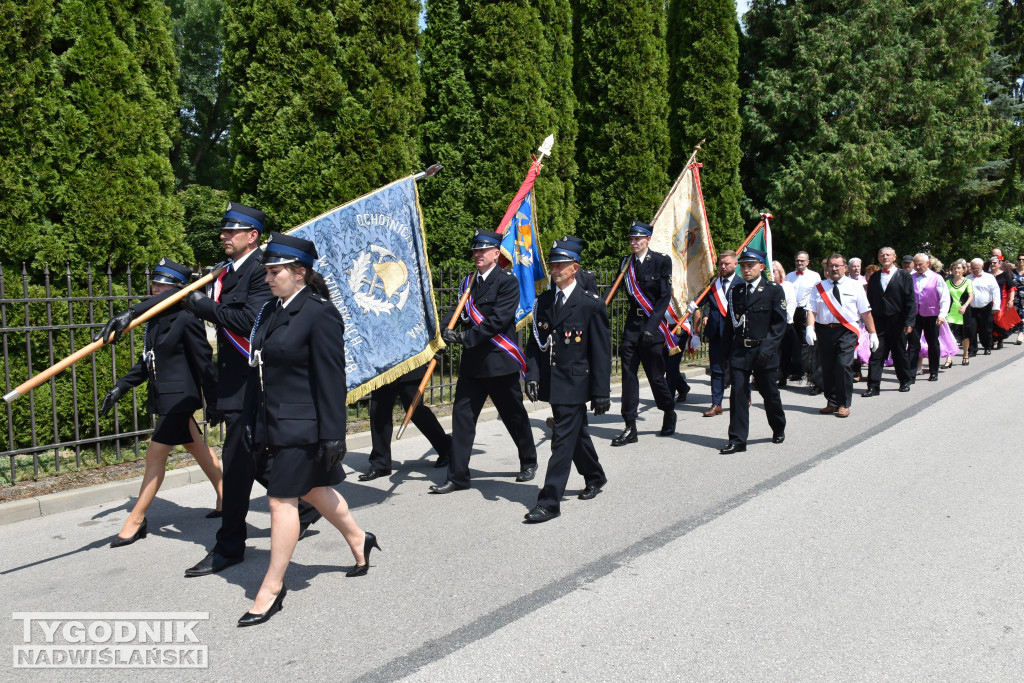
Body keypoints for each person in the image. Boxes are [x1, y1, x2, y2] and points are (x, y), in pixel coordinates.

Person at [239, 232, 377, 627]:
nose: (268, 277)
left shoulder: (318, 313)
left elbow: (332, 378)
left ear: (300, 272)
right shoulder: (272, 310)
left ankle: (271, 588)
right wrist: (251, 418)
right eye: (266, 270)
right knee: (313, 490)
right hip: (273, 422)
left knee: (281, 501)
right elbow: (260, 368)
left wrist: (336, 434)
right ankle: (358, 538)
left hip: (303, 425)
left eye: (275, 271)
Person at [180, 204, 320, 577]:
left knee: (239, 464)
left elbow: (250, 322)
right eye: (224, 231)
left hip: (253, 383)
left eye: (232, 231)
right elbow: (183, 297)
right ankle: (307, 506)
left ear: (252, 235)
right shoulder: (225, 271)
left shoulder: (263, 272)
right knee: (253, 458)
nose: (224, 236)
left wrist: (205, 307)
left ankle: (229, 547)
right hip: (232, 382)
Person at [98, 259, 223, 547]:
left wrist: (213, 401)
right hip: (165, 398)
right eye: (155, 282)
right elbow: (148, 361)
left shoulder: (186, 318)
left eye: (164, 284)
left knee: (154, 456)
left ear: (178, 289)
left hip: (181, 399)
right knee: (197, 448)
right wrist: (120, 387)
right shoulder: (155, 318)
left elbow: (205, 362)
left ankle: (136, 519)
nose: (156, 288)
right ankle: (225, 496)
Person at [430, 229, 538, 493]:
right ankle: (457, 477)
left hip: (499, 362)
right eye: (475, 251)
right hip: (473, 367)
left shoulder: (507, 281)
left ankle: (528, 460)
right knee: (462, 419)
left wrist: (464, 337)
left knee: (514, 415)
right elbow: (457, 315)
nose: (477, 255)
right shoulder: (468, 283)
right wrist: (441, 336)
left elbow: (498, 321)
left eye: (482, 250)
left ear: (495, 253)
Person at [523, 240, 611, 522]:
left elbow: (600, 353)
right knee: (575, 435)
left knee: (560, 440)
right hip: (553, 382)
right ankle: (595, 475)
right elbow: (535, 344)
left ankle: (549, 501)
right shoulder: (544, 302)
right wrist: (533, 375)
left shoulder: (590, 304)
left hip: (575, 384)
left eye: (561, 265)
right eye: (553, 265)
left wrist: (601, 392)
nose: (555, 269)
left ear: (575, 268)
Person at [611, 221, 676, 445]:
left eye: (638, 239)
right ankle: (630, 426)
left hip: (652, 326)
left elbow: (664, 297)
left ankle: (668, 411)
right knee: (628, 376)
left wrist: (651, 327)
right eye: (631, 239)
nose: (634, 242)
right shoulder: (626, 263)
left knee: (656, 377)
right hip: (631, 326)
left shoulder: (661, 261)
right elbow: (614, 288)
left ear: (648, 239)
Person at [719, 249, 787, 454]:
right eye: (743, 266)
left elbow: (779, 325)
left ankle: (778, 427)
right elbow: (730, 326)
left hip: (763, 351)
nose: (746, 270)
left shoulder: (773, 290)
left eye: (750, 265)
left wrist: (767, 350)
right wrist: (723, 355)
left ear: (761, 267)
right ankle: (737, 440)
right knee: (737, 395)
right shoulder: (736, 291)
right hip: (741, 351)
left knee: (770, 394)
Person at [807, 254, 878, 417]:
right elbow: (811, 309)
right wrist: (809, 328)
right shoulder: (819, 286)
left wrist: (873, 333)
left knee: (842, 365)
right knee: (828, 367)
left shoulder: (855, 286)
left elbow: (865, 312)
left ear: (845, 268)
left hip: (846, 331)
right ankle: (832, 402)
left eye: (837, 266)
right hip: (824, 331)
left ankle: (844, 403)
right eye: (831, 266)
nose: (834, 269)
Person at [361, 364, 452, 480]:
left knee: (416, 411)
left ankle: (446, 448)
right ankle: (380, 464)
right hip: (383, 366)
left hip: (409, 364)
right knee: (378, 412)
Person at [863, 247, 915, 396]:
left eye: (888, 255)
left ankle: (904, 380)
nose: (885, 257)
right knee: (876, 353)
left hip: (897, 320)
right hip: (879, 320)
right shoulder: (874, 277)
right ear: (878, 258)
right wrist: (869, 322)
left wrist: (909, 322)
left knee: (899, 352)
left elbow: (910, 300)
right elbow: (870, 300)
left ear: (894, 257)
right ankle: (873, 386)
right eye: (882, 255)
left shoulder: (904, 275)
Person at [699, 250, 740, 418]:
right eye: (721, 263)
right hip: (716, 332)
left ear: (735, 264)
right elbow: (707, 300)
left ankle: (743, 396)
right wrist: (703, 311)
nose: (723, 267)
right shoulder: (713, 281)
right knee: (716, 369)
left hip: (734, 334)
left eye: (727, 263)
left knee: (737, 369)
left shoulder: (741, 283)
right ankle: (716, 403)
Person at [907, 253, 951, 381]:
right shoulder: (910, 277)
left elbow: (945, 297)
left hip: (932, 315)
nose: (918, 267)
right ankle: (911, 373)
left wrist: (942, 314)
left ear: (928, 264)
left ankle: (933, 371)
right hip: (915, 315)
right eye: (916, 264)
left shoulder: (937, 278)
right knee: (913, 344)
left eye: (921, 264)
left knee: (933, 343)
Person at [784, 251, 821, 381]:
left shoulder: (814, 276)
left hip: (805, 310)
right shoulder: (789, 276)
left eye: (802, 260)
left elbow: (818, 294)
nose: (799, 263)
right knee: (791, 341)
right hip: (791, 311)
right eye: (797, 260)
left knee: (804, 342)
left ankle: (805, 370)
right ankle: (793, 370)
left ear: (808, 262)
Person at [771, 261, 798, 387]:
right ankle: (772, 375)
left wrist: (787, 316)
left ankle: (782, 375)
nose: (772, 274)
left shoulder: (788, 285)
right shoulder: (768, 285)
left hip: (785, 322)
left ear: (780, 272)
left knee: (785, 351)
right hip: (770, 323)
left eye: (774, 271)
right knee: (773, 350)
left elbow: (792, 302)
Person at [967, 258, 1000, 356]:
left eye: (976, 268)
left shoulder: (989, 277)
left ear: (982, 267)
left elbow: (996, 291)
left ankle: (987, 346)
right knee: (971, 329)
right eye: (972, 268)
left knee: (986, 329)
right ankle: (972, 349)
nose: (974, 270)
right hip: (972, 308)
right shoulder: (968, 278)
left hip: (986, 307)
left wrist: (996, 306)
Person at [945, 259, 974, 365]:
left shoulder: (968, 281)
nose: (956, 270)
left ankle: (965, 354)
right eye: (954, 268)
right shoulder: (947, 282)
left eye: (959, 268)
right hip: (951, 312)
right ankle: (949, 358)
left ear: (963, 270)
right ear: (951, 270)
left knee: (964, 335)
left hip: (963, 311)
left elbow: (971, 296)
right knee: (949, 335)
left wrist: (965, 306)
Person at [990, 255, 1017, 349]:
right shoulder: (987, 275)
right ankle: (993, 339)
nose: (992, 264)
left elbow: (1011, 288)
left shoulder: (1005, 274)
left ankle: (1000, 339)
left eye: (994, 263)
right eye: (991, 263)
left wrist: (1011, 300)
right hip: (989, 301)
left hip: (1003, 300)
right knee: (990, 320)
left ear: (999, 264)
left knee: (999, 319)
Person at [1012, 253, 1024, 345]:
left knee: (1023, 315)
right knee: (1016, 315)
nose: (1021, 261)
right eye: (1019, 259)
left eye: (1023, 259)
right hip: (1015, 296)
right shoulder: (1013, 272)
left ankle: (1021, 333)